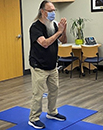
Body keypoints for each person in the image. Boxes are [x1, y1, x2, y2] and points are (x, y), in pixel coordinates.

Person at [28, 0, 67, 129]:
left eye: (54, 11)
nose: (53, 13)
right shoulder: (35, 27)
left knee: (54, 90)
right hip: (38, 66)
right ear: (42, 12)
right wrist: (58, 32)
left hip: (52, 65)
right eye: (50, 11)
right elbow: (44, 43)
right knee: (38, 94)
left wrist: (63, 31)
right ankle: (33, 118)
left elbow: (63, 40)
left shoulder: (53, 25)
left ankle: (52, 112)